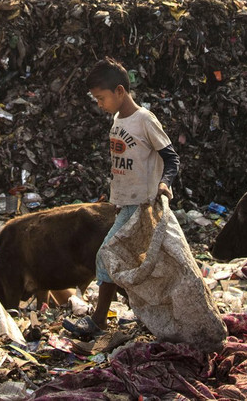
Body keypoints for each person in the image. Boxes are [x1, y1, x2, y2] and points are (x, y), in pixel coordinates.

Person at [63, 57, 180, 338]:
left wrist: (164, 184)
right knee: (132, 263)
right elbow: (124, 162)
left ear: (119, 91)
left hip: (143, 205)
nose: (99, 105)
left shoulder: (144, 120)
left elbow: (172, 158)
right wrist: (114, 195)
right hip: (125, 203)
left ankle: (98, 321)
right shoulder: (117, 119)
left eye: (101, 98)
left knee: (108, 254)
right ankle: (145, 316)